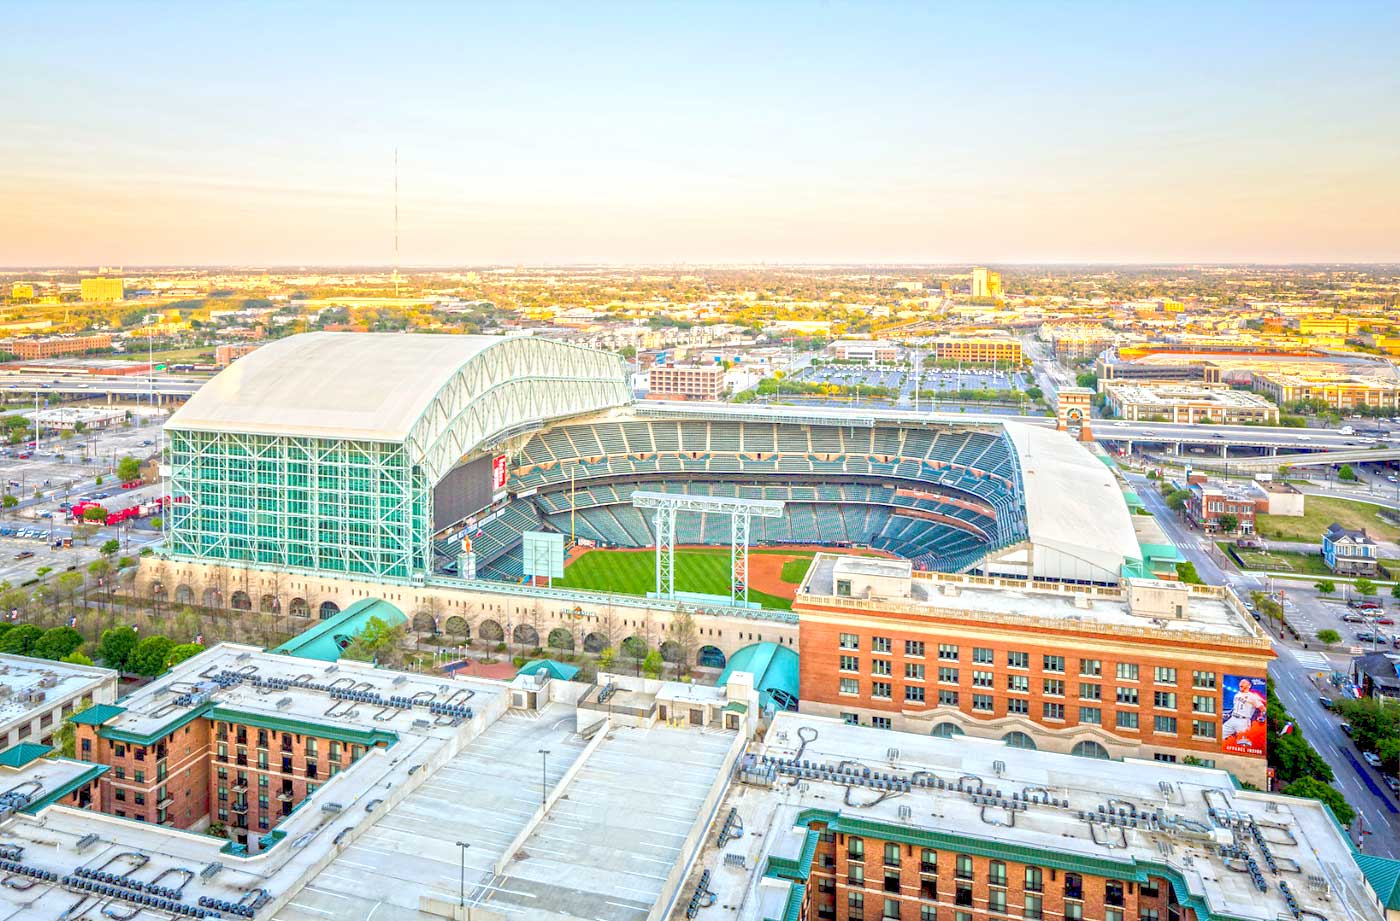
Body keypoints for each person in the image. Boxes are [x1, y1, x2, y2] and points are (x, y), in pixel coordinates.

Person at [1222, 678, 1266, 746]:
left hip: (1243, 722)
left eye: (1243, 682)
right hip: (1232, 719)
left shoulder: (1252, 696)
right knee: (1220, 734)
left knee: (1242, 744)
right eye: (1240, 682)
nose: (1241, 683)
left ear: (1249, 685)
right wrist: (1228, 714)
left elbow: (1263, 708)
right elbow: (1235, 708)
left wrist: (1262, 716)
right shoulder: (1237, 695)